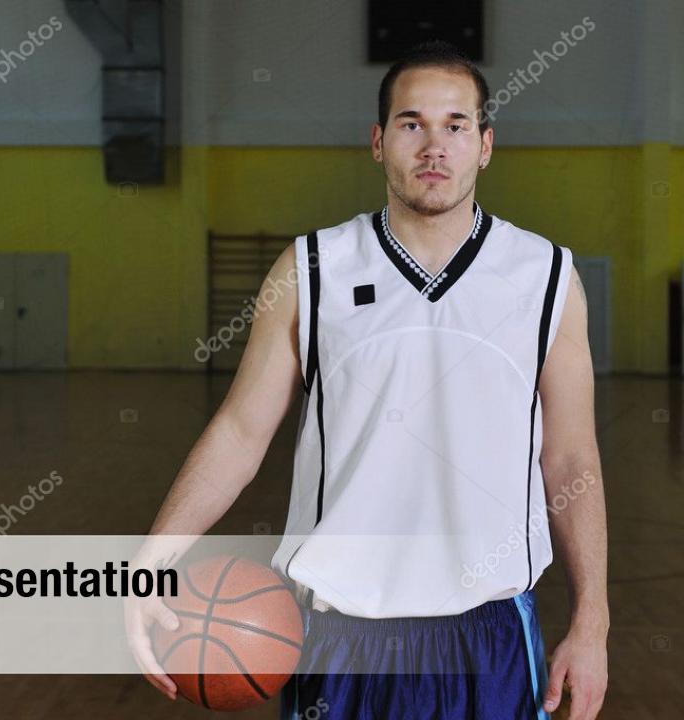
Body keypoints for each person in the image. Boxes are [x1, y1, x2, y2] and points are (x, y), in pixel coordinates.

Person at [125, 41, 608, 720]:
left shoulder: (547, 277)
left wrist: (593, 622)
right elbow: (239, 432)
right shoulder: (312, 269)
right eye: (412, 124)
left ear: (486, 144)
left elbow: (571, 459)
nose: (434, 146)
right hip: (339, 640)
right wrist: (150, 562)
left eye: (456, 125)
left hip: (490, 636)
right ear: (379, 142)